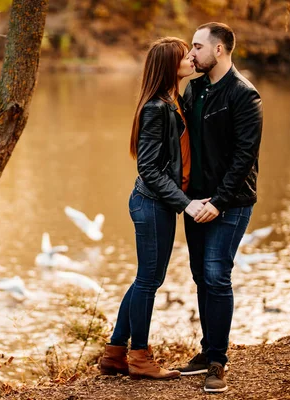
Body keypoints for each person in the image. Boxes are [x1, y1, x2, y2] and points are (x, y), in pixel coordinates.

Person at [99, 37, 210, 380]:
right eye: (185, 54)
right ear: (169, 65)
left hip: (159, 203)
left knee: (147, 279)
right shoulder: (156, 108)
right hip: (151, 203)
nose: (191, 57)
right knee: (148, 280)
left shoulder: (174, 101)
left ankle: (115, 352)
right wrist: (187, 204)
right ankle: (140, 357)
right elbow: (147, 169)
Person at [175, 22, 263, 393]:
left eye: (197, 47)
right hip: (196, 203)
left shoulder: (245, 95)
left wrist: (220, 201)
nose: (191, 54)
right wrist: (189, 200)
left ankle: (217, 362)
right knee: (199, 276)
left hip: (232, 202)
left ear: (220, 50)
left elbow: (245, 156)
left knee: (215, 274)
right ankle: (205, 350)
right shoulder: (193, 90)